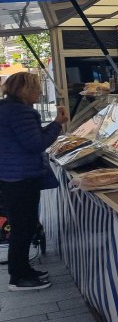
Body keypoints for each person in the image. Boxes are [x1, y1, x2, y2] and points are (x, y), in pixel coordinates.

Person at [0, 72, 69, 291]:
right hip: (21, 177)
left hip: (12, 176)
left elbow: (31, 138)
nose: (39, 92)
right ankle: (18, 278)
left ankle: (23, 269)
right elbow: (35, 144)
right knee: (23, 227)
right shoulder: (20, 111)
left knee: (24, 225)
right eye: (36, 88)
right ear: (24, 90)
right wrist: (58, 124)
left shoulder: (7, 108)